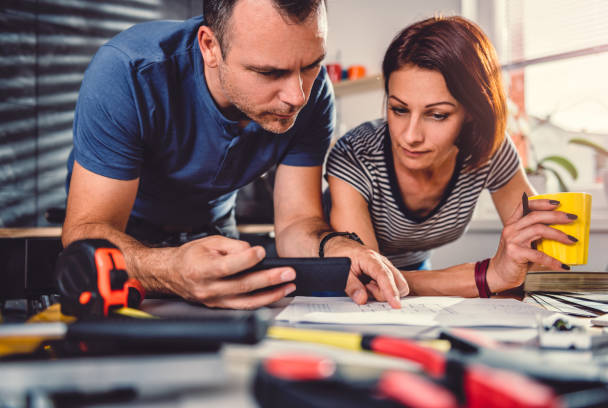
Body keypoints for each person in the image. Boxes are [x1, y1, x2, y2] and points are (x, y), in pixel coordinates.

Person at [62, 0, 409, 310]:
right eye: (269, 72)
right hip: (129, 242)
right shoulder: (128, 72)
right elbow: (87, 231)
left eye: (310, 65)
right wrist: (168, 269)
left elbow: (297, 224)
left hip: (214, 231)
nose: (297, 96)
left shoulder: (315, 95)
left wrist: (336, 249)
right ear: (210, 46)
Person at [325, 16, 577, 298]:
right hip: (335, 287)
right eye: (399, 109)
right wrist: (488, 275)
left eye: (437, 115)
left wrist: (530, 258)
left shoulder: (489, 151)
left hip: (423, 279)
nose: (410, 135)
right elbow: (371, 280)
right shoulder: (355, 154)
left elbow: (544, 260)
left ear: (472, 111)